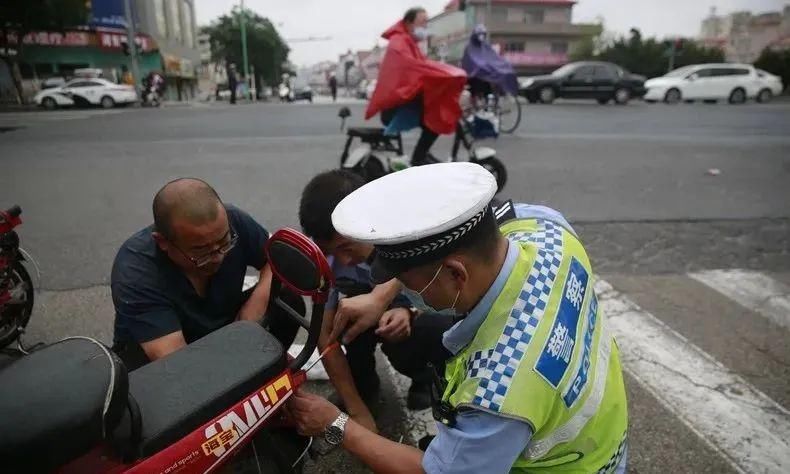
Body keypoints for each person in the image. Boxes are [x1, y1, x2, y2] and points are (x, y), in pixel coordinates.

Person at [287, 163, 629, 473]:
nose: (402, 289)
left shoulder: (498, 389)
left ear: (455, 274)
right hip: (603, 443)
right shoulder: (546, 227)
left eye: (407, 283)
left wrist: (335, 424)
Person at [299, 170, 454, 420]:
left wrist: (407, 311)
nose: (343, 261)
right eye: (330, 251)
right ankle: (364, 386)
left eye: (345, 248)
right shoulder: (324, 263)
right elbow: (325, 337)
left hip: (415, 305)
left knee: (426, 331)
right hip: (367, 305)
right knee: (343, 319)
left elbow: (450, 295)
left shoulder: (409, 231)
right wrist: (357, 409)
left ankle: (426, 378)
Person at [111, 178, 299, 370]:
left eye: (224, 242)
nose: (217, 257)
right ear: (163, 243)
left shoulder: (235, 221)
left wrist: (256, 305)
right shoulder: (136, 271)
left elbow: (278, 259)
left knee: (286, 299)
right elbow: (180, 365)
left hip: (223, 328)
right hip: (161, 355)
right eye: (201, 251)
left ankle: (269, 369)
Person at [366, 7, 466, 166]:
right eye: (422, 22)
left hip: (403, 103)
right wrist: (447, 73)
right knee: (437, 119)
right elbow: (415, 68)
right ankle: (418, 158)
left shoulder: (408, 42)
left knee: (436, 116)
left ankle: (421, 155)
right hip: (395, 107)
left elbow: (421, 68)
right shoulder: (399, 42)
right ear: (408, 23)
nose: (425, 26)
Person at [461, 24, 519, 106]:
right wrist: (482, 66)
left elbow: (494, 57)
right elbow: (471, 61)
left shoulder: (486, 46)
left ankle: (503, 95)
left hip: (486, 72)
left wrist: (503, 63)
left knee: (502, 73)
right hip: (475, 75)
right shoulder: (469, 47)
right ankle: (477, 103)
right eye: (479, 34)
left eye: (483, 34)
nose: (481, 37)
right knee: (478, 86)